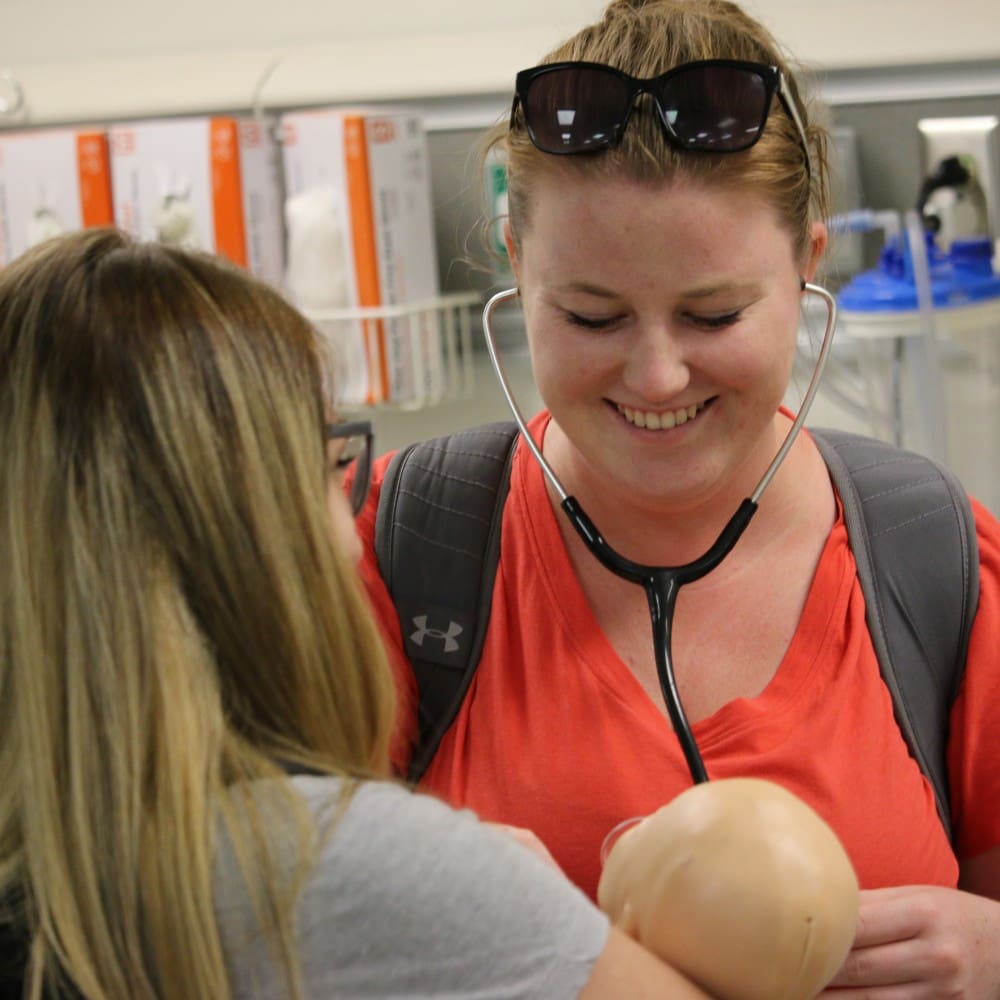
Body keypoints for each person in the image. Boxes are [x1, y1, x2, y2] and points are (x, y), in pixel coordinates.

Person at [354, 0, 1000, 995]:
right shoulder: (391, 554)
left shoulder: (940, 563)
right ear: (517, 264)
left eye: (714, 313)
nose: (657, 376)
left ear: (807, 266)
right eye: (591, 315)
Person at [0, 228, 713, 999]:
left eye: (713, 315)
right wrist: (517, 919)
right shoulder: (331, 874)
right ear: (247, 533)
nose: (349, 537)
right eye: (328, 466)